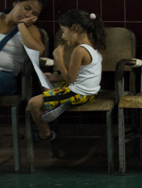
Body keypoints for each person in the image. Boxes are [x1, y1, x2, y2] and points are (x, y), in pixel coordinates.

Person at [27, 9, 105, 141]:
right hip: (88, 92)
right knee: (46, 81)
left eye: (63, 31)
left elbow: (70, 78)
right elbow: (80, 76)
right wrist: (56, 77)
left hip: (78, 93)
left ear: (74, 28)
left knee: (32, 104)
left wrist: (59, 59)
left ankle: (45, 134)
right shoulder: (91, 48)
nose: (63, 36)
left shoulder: (79, 50)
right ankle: (54, 104)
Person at [0, 0, 47, 96]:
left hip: (5, 77)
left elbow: (39, 51)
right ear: (15, 3)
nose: (28, 14)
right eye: (26, 8)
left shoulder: (30, 30)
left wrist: (21, 26)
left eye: (34, 14)